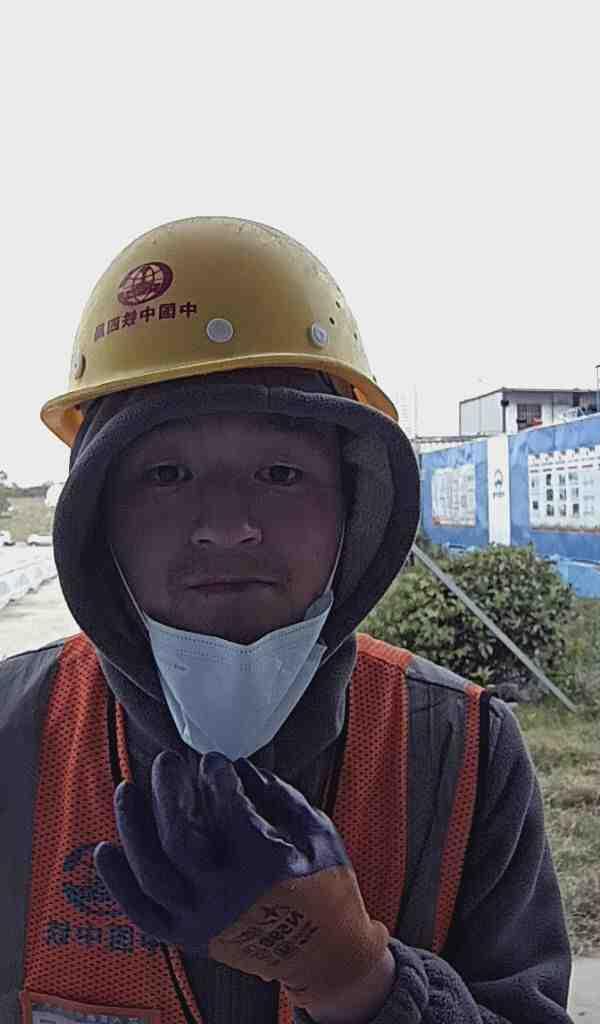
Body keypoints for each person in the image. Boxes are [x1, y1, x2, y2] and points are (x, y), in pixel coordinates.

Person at [0, 217, 572, 1024]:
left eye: (279, 472)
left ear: (354, 510)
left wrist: (358, 981)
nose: (227, 525)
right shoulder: (13, 733)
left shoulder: (462, 750)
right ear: (97, 519)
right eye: (166, 474)